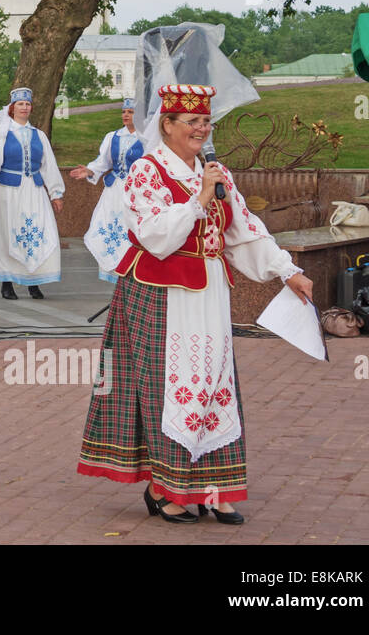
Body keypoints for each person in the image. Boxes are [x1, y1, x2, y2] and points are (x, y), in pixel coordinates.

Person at [77, 84, 313, 525]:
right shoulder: (145, 173)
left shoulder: (215, 171)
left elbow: (244, 230)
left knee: (213, 380)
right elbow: (156, 237)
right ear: (167, 125)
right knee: (172, 387)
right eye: (193, 123)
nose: (201, 130)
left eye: (206, 122)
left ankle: (216, 487)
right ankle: (165, 487)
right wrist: (200, 197)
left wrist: (288, 270)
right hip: (161, 295)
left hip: (209, 293)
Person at [0, 87, 65, 299]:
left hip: (33, 191)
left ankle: (34, 281)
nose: (24, 107)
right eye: (20, 104)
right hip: (7, 193)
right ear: (12, 108)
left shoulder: (38, 135)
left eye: (28, 104)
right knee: (8, 235)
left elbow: (48, 165)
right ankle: (7, 282)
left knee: (37, 234)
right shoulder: (1, 135)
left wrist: (56, 193)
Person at [71, 98, 144, 282]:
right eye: (124, 112)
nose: (126, 115)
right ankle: (114, 267)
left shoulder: (147, 139)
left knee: (131, 227)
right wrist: (90, 170)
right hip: (114, 191)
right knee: (109, 224)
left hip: (135, 191)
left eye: (131, 112)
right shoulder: (113, 136)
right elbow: (103, 162)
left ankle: (131, 269)